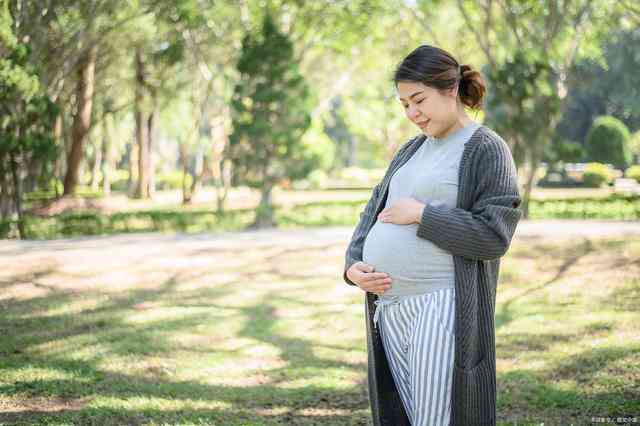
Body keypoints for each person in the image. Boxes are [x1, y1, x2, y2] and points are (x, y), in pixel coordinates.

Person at [343, 45, 523, 426]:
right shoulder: (410, 150)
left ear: (451, 89)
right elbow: (371, 212)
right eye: (404, 104)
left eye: (419, 100)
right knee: (406, 417)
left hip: (441, 304)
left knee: (437, 419)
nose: (412, 113)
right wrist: (352, 267)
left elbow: (494, 236)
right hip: (390, 309)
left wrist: (424, 215)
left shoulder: (486, 148)